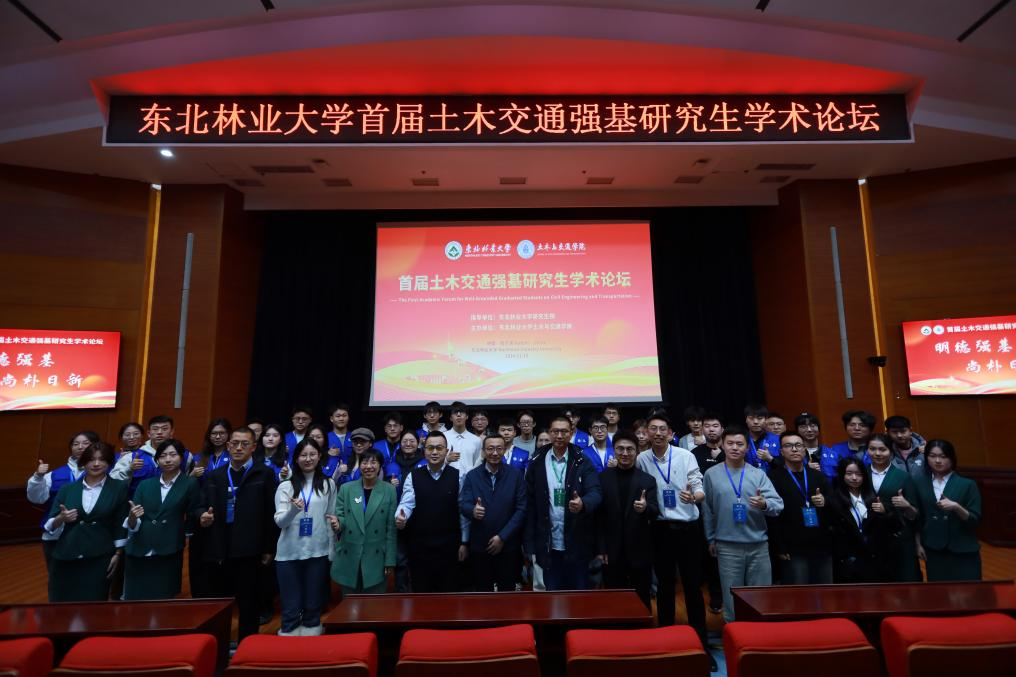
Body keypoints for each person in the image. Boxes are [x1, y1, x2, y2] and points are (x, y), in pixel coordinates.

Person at [200, 427, 278, 640]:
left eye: (244, 444)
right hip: (220, 547)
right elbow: (201, 505)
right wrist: (201, 515)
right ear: (228, 446)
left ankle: (246, 647)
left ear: (254, 447)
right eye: (234, 443)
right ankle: (219, 647)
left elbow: (270, 513)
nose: (238, 448)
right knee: (219, 604)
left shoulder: (264, 474)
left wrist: (268, 547)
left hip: (250, 549)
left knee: (249, 603)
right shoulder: (215, 475)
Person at [636, 414, 707, 647]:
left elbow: (698, 486)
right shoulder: (642, 459)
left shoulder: (685, 456)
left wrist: (695, 497)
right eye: (653, 429)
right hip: (659, 529)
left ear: (670, 433)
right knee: (665, 586)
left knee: (692, 586)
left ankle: (701, 642)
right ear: (647, 432)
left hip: (687, 529)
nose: (657, 433)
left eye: (662, 429)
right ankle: (666, 640)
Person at [702, 426, 783, 623]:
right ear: (722, 445)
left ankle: (760, 635)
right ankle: (734, 632)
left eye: (740, 444)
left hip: (758, 545)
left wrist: (764, 504)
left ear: (747, 448)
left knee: (760, 596)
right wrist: (711, 538)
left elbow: (778, 505)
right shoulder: (711, 474)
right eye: (730, 443)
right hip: (727, 546)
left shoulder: (758, 474)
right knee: (731, 597)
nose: (734, 448)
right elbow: (707, 510)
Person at [524, 416, 602, 590]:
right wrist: (529, 543)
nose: (559, 436)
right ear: (549, 433)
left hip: (577, 542)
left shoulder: (582, 460)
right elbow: (529, 504)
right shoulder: (536, 462)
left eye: (564, 431)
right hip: (548, 544)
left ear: (571, 433)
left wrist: (583, 503)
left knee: (579, 595)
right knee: (554, 595)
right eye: (555, 431)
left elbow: (596, 492)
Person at [45, 442, 129, 602]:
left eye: (102, 459)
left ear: (109, 463)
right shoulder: (67, 489)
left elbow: (119, 523)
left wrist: (118, 554)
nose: (96, 464)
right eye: (91, 459)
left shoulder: (118, 488)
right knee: (62, 603)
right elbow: (49, 525)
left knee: (94, 603)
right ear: (83, 462)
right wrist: (61, 518)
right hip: (66, 554)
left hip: (99, 555)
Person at [123, 438, 201, 600]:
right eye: (163, 456)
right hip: (139, 546)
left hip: (169, 547)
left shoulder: (189, 483)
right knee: (135, 598)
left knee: (163, 598)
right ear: (157, 460)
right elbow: (133, 522)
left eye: (173, 455)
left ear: (181, 458)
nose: (168, 459)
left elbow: (193, 514)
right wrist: (131, 517)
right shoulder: (145, 485)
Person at [274, 438, 336, 636]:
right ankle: (289, 639)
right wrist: (293, 510)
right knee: (290, 606)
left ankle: (311, 637)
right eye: (303, 455)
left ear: (319, 457)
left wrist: (332, 549)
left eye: (312, 454)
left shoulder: (328, 484)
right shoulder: (285, 486)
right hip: (288, 553)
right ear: (296, 458)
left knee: (313, 605)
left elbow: (330, 517)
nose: (308, 459)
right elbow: (280, 522)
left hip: (318, 551)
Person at [395, 431, 468, 592]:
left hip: (449, 546)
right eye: (430, 448)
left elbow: (462, 512)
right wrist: (400, 517)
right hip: (420, 547)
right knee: (422, 593)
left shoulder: (458, 476)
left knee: (449, 593)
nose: (434, 452)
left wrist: (464, 542)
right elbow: (406, 504)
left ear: (446, 451)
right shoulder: (413, 476)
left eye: (439, 448)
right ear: (424, 451)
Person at [596, 432, 658, 611]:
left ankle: (642, 627)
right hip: (611, 550)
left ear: (637, 451)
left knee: (642, 595)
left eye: (630, 449)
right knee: (614, 596)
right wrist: (601, 548)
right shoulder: (602, 478)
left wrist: (645, 508)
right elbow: (598, 517)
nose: (625, 453)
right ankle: (616, 628)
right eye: (620, 449)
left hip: (639, 549)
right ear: (614, 450)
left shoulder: (647, 480)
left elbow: (655, 511)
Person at [460, 435, 528, 592]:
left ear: (504, 450)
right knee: (482, 593)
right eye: (490, 449)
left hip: (508, 545)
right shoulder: (472, 476)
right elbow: (464, 505)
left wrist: (502, 537)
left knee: (507, 593)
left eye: (499, 448)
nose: (495, 453)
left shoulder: (515, 475)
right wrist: (472, 510)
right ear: (483, 452)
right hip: (480, 545)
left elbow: (522, 509)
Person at [27, 430, 98, 571]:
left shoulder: (103, 474)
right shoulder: (55, 474)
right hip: (57, 534)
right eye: (76, 444)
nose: (80, 447)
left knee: (88, 576)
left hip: (90, 534)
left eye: (85, 443)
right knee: (57, 575)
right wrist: (38, 477)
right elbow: (36, 498)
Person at [767, 432, 833, 584]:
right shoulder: (774, 477)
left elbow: (834, 503)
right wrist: (779, 546)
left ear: (804, 449)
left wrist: (825, 501)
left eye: (798, 445)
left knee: (825, 590)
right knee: (799, 592)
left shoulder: (817, 476)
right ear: (781, 451)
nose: (794, 449)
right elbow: (772, 516)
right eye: (788, 446)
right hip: (792, 547)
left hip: (821, 544)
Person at [329, 448, 397, 595]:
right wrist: (338, 523)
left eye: (373, 462)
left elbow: (391, 530)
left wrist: (390, 561)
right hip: (350, 554)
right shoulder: (346, 489)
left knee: (374, 606)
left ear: (380, 466)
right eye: (364, 462)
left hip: (376, 557)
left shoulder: (389, 490)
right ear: (360, 465)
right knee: (349, 605)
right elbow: (340, 516)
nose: (368, 466)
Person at [914, 439, 982, 581]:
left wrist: (957, 507)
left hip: (963, 548)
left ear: (952, 458)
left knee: (968, 590)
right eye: (932, 456)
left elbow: (975, 520)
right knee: (939, 590)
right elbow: (918, 518)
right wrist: (918, 544)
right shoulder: (920, 483)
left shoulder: (967, 484)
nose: (937, 461)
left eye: (943, 456)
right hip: (934, 547)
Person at [827, 457, 894, 583]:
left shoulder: (873, 498)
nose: (854, 478)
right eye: (849, 473)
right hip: (849, 562)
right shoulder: (834, 500)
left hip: (875, 561)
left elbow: (890, 527)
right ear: (842, 475)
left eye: (858, 474)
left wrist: (885, 512)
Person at [867, 433, 922, 582]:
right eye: (872, 449)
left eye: (882, 449)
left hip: (899, 538)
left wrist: (906, 505)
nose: (877, 453)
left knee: (905, 582)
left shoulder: (903, 476)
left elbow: (915, 514)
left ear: (891, 451)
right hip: (870, 538)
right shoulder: (861, 474)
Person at [690, 413, 724, 613]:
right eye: (708, 425)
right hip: (703, 510)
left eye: (715, 425)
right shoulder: (694, 453)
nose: (711, 429)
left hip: (728, 508)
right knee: (710, 556)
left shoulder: (730, 450)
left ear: (722, 429)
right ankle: (716, 596)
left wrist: (720, 457)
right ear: (702, 430)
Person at [389, 429, 426, 592]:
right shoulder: (392, 464)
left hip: (420, 517)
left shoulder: (425, 463)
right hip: (398, 517)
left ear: (418, 443)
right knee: (400, 560)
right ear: (400, 444)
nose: (408, 444)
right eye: (405, 441)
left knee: (419, 557)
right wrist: (389, 485)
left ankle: (420, 591)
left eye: (412, 441)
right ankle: (402, 592)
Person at [885, 415, 927, 481]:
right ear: (887, 433)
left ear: (910, 431)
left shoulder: (925, 449)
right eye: (894, 432)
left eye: (903, 431)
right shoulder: (886, 452)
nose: (899, 435)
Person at [794, 412, 835, 478]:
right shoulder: (793, 453)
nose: (809, 430)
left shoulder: (832, 453)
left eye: (812, 426)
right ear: (797, 430)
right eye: (803, 427)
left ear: (818, 428)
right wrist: (805, 469)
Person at [446, 402, 482, 475]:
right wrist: (447, 459)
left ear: (467, 416)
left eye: (462, 412)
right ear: (450, 418)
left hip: (469, 480)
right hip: (446, 479)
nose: (459, 415)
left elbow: (477, 464)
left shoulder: (476, 440)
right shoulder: (443, 437)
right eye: (455, 412)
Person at [743, 404, 780, 471]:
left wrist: (770, 459)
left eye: (759, 418)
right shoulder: (741, 440)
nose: (755, 422)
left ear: (766, 420)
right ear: (746, 420)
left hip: (772, 476)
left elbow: (785, 466)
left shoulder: (778, 439)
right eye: (751, 418)